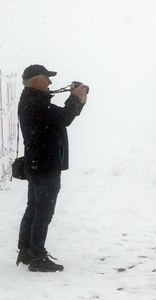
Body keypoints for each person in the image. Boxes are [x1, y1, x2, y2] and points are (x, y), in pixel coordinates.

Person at [16, 64, 88, 272]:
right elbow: (64, 117)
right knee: (43, 211)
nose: (50, 82)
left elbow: (61, 117)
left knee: (34, 208)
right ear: (36, 81)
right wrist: (75, 98)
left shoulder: (32, 100)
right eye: (46, 78)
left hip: (37, 163)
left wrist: (78, 100)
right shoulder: (35, 103)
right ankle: (37, 256)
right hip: (45, 165)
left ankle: (26, 250)